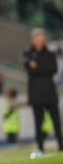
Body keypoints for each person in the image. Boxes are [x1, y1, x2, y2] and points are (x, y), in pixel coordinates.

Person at [23, 28, 63, 156]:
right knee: (38, 122)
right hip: (36, 93)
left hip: (50, 92)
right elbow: (31, 70)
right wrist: (43, 68)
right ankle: (40, 147)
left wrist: (38, 67)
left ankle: (61, 145)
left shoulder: (50, 54)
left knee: (56, 121)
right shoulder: (28, 54)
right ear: (32, 39)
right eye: (37, 38)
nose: (39, 40)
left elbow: (53, 69)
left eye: (41, 37)